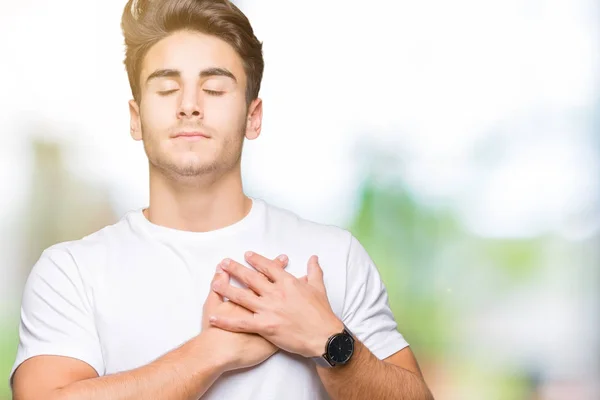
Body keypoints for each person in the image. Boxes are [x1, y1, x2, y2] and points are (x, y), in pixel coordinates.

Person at [9, 1, 434, 399]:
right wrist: (213, 352)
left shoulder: (331, 257)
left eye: (213, 88)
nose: (190, 105)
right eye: (166, 88)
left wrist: (329, 341)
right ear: (136, 119)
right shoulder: (70, 272)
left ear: (253, 117)